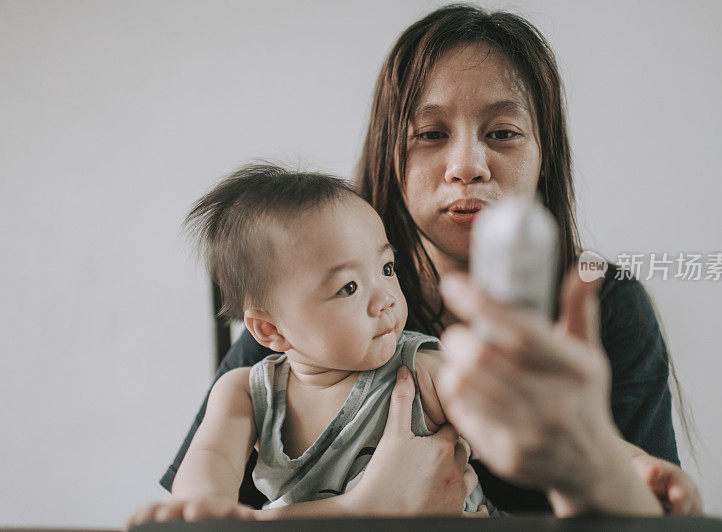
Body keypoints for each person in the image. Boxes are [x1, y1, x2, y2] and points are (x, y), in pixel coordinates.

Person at [158, 4, 702, 519]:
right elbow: (197, 511)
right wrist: (362, 512)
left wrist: (624, 466)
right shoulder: (297, 304)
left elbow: (568, 450)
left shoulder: (602, 305)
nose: (467, 166)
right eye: (431, 134)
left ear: (545, 154)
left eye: (503, 133)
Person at [128, 165, 496, 528]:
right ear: (270, 329)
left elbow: (505, 428)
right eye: (348, 287)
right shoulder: (248, 394)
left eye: (386, 268)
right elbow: (212, 460)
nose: (385, 298)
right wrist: (201, 505)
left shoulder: (419, 370)